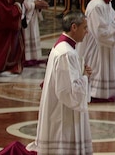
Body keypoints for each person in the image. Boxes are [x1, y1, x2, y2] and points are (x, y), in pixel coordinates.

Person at [26, 11, 93, 155]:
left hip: (59, 106)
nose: (87, 32)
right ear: (74, 27)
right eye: (85, 28)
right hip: (62, 111)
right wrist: (85, 77)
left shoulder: (63, 47)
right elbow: (68, 91)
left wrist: (81, 72)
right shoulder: (66, 53)